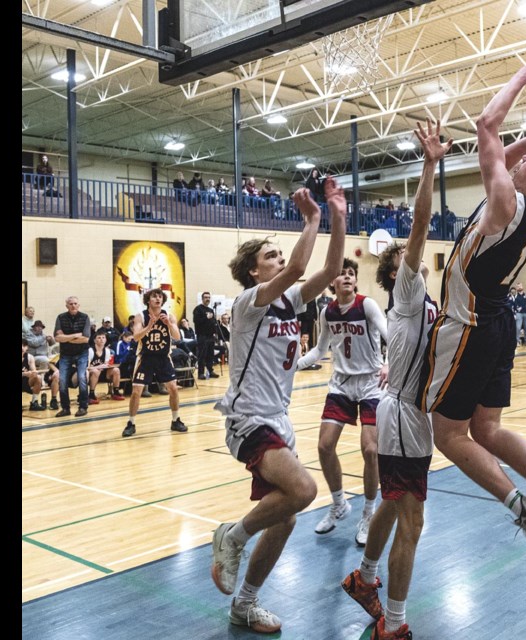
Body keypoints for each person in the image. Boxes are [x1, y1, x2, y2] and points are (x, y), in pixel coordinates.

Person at [415, 58, 526, 577]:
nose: (517, 162)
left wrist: (523, 77)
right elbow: (504, 153)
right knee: (489, 428)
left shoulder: (505, 200)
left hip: (467, 324)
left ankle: (524, 508)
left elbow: (486, 129)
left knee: (448, 435)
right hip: (498, 325)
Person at [209, 181, 347, 634]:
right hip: (248, 418)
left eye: (278, 254)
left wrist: (338, 213)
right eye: (270, 256)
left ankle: (244, 605)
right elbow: (305, 264)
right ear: (252, 272)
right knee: (305, 491)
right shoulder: (249, 303)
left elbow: (327, 270)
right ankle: (232, 536)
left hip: (278, 419)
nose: (281, 260)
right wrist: (311, 220)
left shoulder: (290, 299)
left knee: (286, 517)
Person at [342, 118, 450, 640]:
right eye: (408, 260)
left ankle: (364, 579)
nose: (418, 260)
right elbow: (421, 227)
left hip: (405, 411)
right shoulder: (406, 292)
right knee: (413, 522)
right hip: (403, 415)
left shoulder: (423, 304)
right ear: (396, 273)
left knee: (391, 500)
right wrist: (429, 164)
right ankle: (396, 625)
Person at [296, 256, 388, 547]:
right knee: (324, 446)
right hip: (342, 384)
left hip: (372, 383)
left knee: (370, 450)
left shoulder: (367, 305)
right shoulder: (327, 313)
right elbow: (319, 350)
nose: (347, 277)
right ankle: (339, 504)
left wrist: (389, 364)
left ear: (356, 281)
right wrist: (293, 364)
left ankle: (369, 512)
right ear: (332, 282)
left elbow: (390, 336)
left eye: (351, 274)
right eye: (341, 274)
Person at [122, 288, 187, 437]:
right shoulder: (140, 317)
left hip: (163, 357)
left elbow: (177, 337)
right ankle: (131, 423)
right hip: (146, 357)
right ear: (148, 300)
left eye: (160, 297)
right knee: (136, 392)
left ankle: (175, 420)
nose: (157, 299)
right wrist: (149, 326)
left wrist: (169, 325)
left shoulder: (169, 316)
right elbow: (137, 337)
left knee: (173, 389)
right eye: (154, 296)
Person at [54, 296, 92, 417]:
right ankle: (65, 408)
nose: (73, 306)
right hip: (65, 354)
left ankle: (83, 407)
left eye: (75, 303)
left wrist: (66, 338)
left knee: (82, 377)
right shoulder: (60, 317)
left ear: (78, 305)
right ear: (67, 306)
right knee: (63, 380)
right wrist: (75, 335)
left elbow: (86, 339)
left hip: (82, 353)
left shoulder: (85, 317)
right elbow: (57, 338)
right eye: (71, 304)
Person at [86, 332, 124, 404]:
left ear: (106, 340)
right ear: (94, 340)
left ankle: (115, 392)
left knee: (116, 370)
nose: (101, 339)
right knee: (95, 371)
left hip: (103, 373)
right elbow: (87, 367)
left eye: (103, 337)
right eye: (99, 338)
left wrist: (107, 366)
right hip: (91, 374)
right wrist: (98, 367)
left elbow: (106, 364)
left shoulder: (107, 351)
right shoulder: (90, 350)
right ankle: (91, 394)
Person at [193, 291, 220, 380]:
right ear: (202, 298)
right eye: (206, 297)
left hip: (210, 336)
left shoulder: (211, 310)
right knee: (202, 355)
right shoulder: (198, 309)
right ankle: (201, 373)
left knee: (210, 354)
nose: (207, 299)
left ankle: (210, 371)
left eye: (209, 297)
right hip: (202, 336)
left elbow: (213, 322)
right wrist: (206, 317)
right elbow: (196, 321)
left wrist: (215, 332)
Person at [22, 339, 46, 412]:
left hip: (25, 381)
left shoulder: (30, 357)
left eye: (24, 346)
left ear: (27, 347)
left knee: (37, 377)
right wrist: (24, 373)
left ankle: (34, 402)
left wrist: (32, 373)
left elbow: (34, 371)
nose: (22, 348)